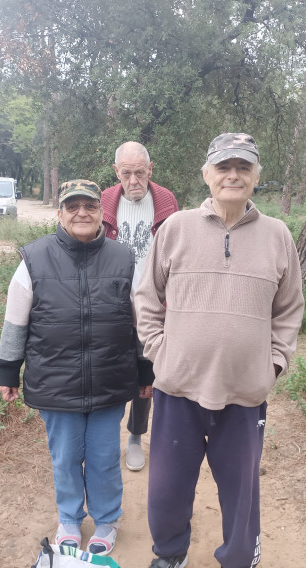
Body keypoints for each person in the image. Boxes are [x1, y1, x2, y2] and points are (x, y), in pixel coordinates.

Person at [134, 134, 304, 568]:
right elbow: (146, 296)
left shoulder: (278, 236)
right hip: (178, 388)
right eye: (223, 167)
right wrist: (158, 350)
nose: (233, 175)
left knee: (241, 490)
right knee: (168, 485)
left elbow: (289, 309)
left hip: (245, 394)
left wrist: (273, 362)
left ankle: (237, 565)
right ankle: (169, 551)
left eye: (243, 167)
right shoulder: (176, 228)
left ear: (256, 177)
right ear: (206, 175)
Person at [0, 179, 154, 556]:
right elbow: (15, 321)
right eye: (73, 206)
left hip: (110, 378)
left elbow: (141, 321)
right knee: (65, 456)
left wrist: (145, 371)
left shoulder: (124, 258)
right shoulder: (34, 258)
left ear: (103, 212)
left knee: (103, 457)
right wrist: (8, 370)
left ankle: (106, 520)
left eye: (89, 205)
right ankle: (68, 518)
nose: (81, 212)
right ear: (60, 213)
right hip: (55, 381)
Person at [100, 141, 179, 471]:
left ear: (151, 170)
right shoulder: (104, 200)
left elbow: (177, 251)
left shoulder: (166, 202)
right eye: (127, 173)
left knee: (148, 375)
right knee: (110, 371)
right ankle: (106, 440)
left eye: (140, 173)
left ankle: (135, 437)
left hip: (152, 305)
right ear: (116, 171)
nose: (134, 181)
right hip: (113, 304)